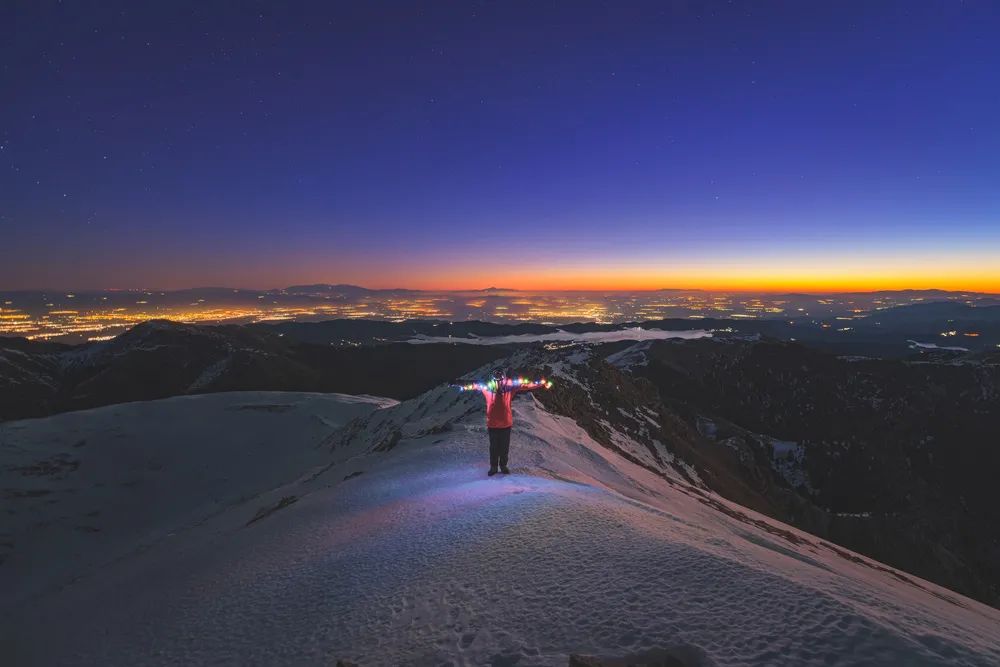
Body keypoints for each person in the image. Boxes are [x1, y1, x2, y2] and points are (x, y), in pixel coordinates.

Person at [459, 368, 553, 476]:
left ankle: (502, 466)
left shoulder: (509, 388)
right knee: (494, 448)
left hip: (505, 424)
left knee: (503, 448)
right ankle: (494, 467)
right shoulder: (488, 388)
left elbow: (527, 385)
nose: (498, 381)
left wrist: (541, 383)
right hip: (494, 425)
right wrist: (459, 383)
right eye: (496, 378)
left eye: (500, 377)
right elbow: (473, 385)